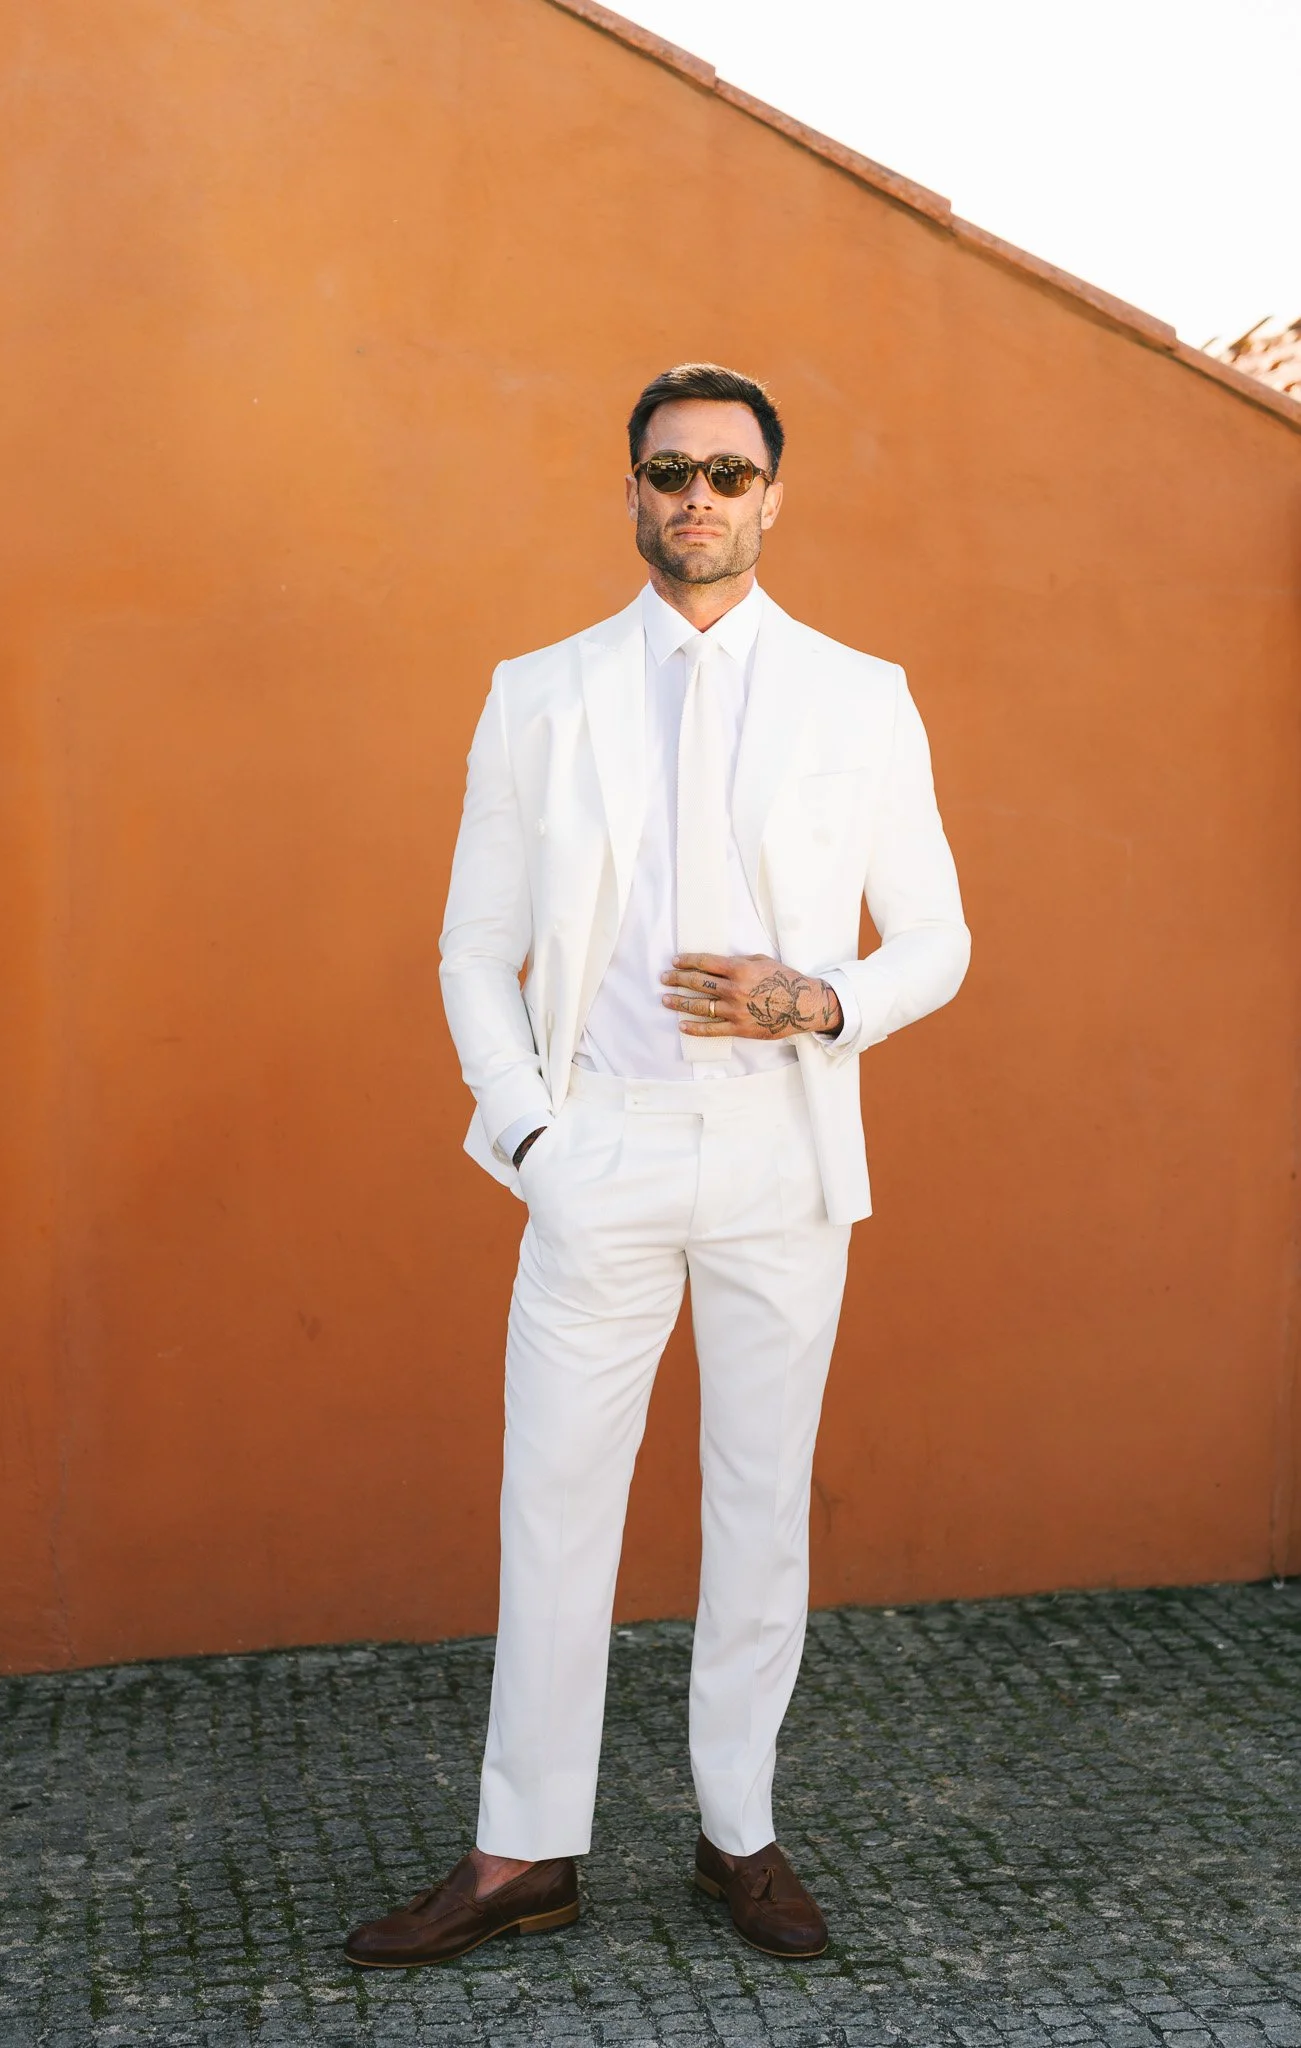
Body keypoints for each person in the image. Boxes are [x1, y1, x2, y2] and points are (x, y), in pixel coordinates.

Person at [345, 362, 970, 1969]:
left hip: (780, 1146)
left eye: (728, 473)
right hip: (600, 1143)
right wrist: (530, 1134)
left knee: (760, 1501)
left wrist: (816, 999)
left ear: (774, 498)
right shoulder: (536, 691)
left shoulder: (861, 694)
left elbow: (940, 938)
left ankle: (738, 1833)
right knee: (553, 1499)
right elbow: (474, 945)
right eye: (670, 471)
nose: (699, 497)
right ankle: (522, 1850)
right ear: (630, 491)